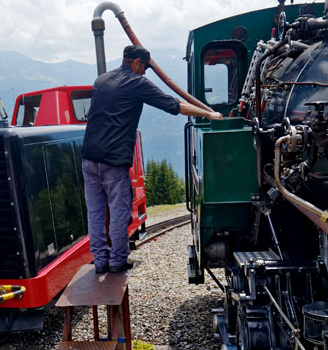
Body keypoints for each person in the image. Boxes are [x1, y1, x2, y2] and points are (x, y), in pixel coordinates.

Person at [81, 44, 223, 273]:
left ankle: (99, 262)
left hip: (88, 157)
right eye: (145, 67)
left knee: (95, 212)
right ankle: (117, 261)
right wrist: (208, 113)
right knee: (119, 212)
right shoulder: (137, 83)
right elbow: (174, 106)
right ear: (136, 63)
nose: (145, 72)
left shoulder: (101, 80)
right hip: (114, 160)